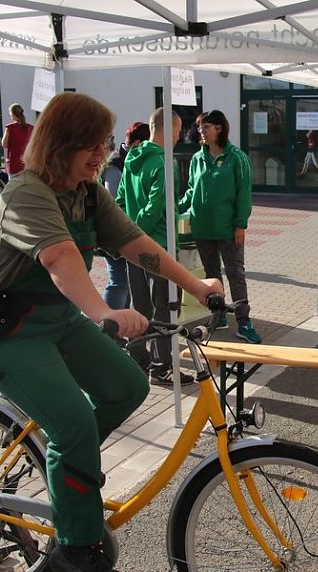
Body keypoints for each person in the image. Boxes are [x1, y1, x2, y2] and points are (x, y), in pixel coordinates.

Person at [0, 92, 224, 572]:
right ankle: (75, 550)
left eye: (104, 143)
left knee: (128, 387)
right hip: (9, 333)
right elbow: (60, 257)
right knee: (76, 426)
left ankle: (67, 462)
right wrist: (105, 311)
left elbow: (135, 243)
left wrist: (198, 286)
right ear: (61, 144)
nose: (102, 154)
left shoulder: (85, 192)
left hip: (60, 321)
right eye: (92, 144)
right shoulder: (26, 194)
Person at [116, 109, 193, 386]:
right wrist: (139, 233)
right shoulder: (163, 162)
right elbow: (155, 205)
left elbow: (120, 200)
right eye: (178, 130)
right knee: (166, 307)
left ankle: (139, 359)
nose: (179, 136)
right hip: (158, 247)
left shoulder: (131, 159)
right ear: (168, 128)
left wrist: (128, 236)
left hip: (131, 247)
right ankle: (161, 367)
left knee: (140, 307)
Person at [180, 109, 260, 344]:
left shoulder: (237, 158)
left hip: (228, 230)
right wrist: (175, 207)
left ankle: (244, 322)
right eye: (199, 127)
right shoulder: (197, 159)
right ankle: (219, 315)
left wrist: (240, 225)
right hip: (202, 228)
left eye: (206, 127)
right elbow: (192, 190)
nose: (201, 131)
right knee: (212, 276)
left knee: (236, 275)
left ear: (219, 128)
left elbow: (244, 194)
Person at [101, 121, 150, 310]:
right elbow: (113, 201)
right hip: (115, 232)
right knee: (119, 282)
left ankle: (121, 322)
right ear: (137, 143)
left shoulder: (131, 160)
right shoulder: (115, 164)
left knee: (127, 282)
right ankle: (110, 323)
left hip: (128, 231)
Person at [1, 103, 33, 176]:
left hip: (14, 163)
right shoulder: (30, 128)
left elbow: (4, 144)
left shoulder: (10, 128)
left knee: (14, 182)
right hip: (27, 163)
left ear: (13, 114)